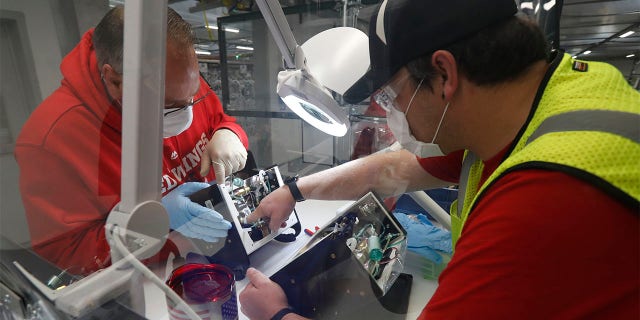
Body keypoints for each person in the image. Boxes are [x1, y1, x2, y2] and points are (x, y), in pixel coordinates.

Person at [239, 0, 640, 318]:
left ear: (444, 74)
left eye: (391, 96)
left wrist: (276, 314)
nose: (389, 113)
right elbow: (391, 169)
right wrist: (293, 190)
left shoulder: (545, 194)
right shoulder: (550, 96)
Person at [14, 6, 249, 276]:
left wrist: (231, 134)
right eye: (170, 106)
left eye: (193, 96)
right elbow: (67, 257)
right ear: (114, 80)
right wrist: (149, 227)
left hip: (214, 255)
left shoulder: (178, 80)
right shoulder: (51, 141)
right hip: (145, 285)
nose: (188, 112)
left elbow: (221, 120)